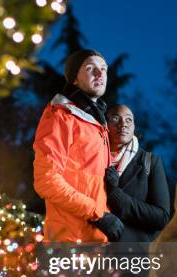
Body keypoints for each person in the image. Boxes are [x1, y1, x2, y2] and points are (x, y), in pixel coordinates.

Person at [33, 49, 124, 242]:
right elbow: (46, 180)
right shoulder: (60, 116)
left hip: (96, 242)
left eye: (103, 69)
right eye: (90, 68)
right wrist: (98, 213)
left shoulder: (96, 123)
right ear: (74, 79)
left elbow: (85, 180)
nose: (100, 74)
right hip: (68, 241)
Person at [103, 104, 170, 242]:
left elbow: (161, 217)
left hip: (135, 255)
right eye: (115, 118)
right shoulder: (93, 159)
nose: (123, 124)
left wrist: (116, 195)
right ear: (104, 125)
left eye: (129, 120)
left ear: (134, 127)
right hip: (94, 252)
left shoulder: (150, 162)